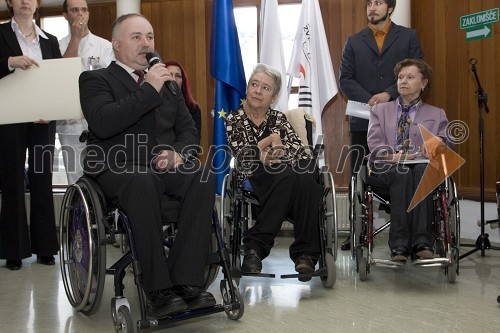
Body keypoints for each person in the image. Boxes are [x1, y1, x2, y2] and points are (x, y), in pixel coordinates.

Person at [79, 13, 216, 318]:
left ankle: (187, 282)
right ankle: (157, 290)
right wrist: (148, 88)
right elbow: (103, 123)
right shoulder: (95, 80)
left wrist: (179, 154)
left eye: (150, 37)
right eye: (137, 37)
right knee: (142, 180)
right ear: (116, 45)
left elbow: (188, 130)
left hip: (163, 167)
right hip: (117, 167)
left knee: (203, 177)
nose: (146, 43)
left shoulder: (167, 84)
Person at [225, 63, 323, 280]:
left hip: (284, 173)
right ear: (247, 89)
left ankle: (305, 254)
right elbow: (244, 156)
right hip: (252, 176)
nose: (258, 91)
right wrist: (271, 140)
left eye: (265, 88)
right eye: (254, 85)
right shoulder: (235, 119)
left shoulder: (279, 119)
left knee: (307, 175)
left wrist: (277, 152)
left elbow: (300, 153)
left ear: (274, 96)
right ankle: (255, 248)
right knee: (287, 175)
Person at [339, 0, 423, 250]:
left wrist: (388, 94)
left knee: (405, 171)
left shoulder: (408, 36)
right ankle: (357, 232)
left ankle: (412, 234)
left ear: (390, 8)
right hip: (362, 120)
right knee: (359, 175)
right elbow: (345, 79)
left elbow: (417, 70)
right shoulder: (353, 41)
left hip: (400, 118)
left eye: (378, 3)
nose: (372, 7)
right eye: (369, 3)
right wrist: (370, 100)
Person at [367, 58, 448, 261]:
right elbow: (374, 145)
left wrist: (437, 141)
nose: (403, 81)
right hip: (387, 168)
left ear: (424, 83)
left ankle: (421, 241)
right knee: (402, 173)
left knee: (421, 171)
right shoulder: (380, 110)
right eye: (401, 77)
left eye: (410, 77)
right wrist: (393, 157)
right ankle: (399, 244)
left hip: (421, 166)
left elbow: (446, 144)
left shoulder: (437, 114)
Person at [0, 0, 61, 270]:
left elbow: (58, 76)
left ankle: (45, 247)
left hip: (42, 118)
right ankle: (14, 250)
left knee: (42, 180)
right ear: (10, 3)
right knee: (12, 180)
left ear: (37, 4)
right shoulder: (0, 33)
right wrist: (8, 62)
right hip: (10, 118)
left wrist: (52, 108)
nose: (26, 1)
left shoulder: (50, 39)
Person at [57, 0, 114, 185]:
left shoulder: (105, 46)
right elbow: (62, 77)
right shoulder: (57, 46)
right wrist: (75, 39)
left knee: (102, 179)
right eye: (74, 10)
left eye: (84, 10)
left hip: (100, 125)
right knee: (76, 181)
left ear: (89, 13)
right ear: (66, 16)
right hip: (70, 125)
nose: (80, 14)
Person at [165, 60, 202, 140]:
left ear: (183, 81)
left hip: (183, 150)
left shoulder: (193, 108)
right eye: (169, 74)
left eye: (178, 76)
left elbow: (195, 140)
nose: (174, 79)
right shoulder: (155, 104)